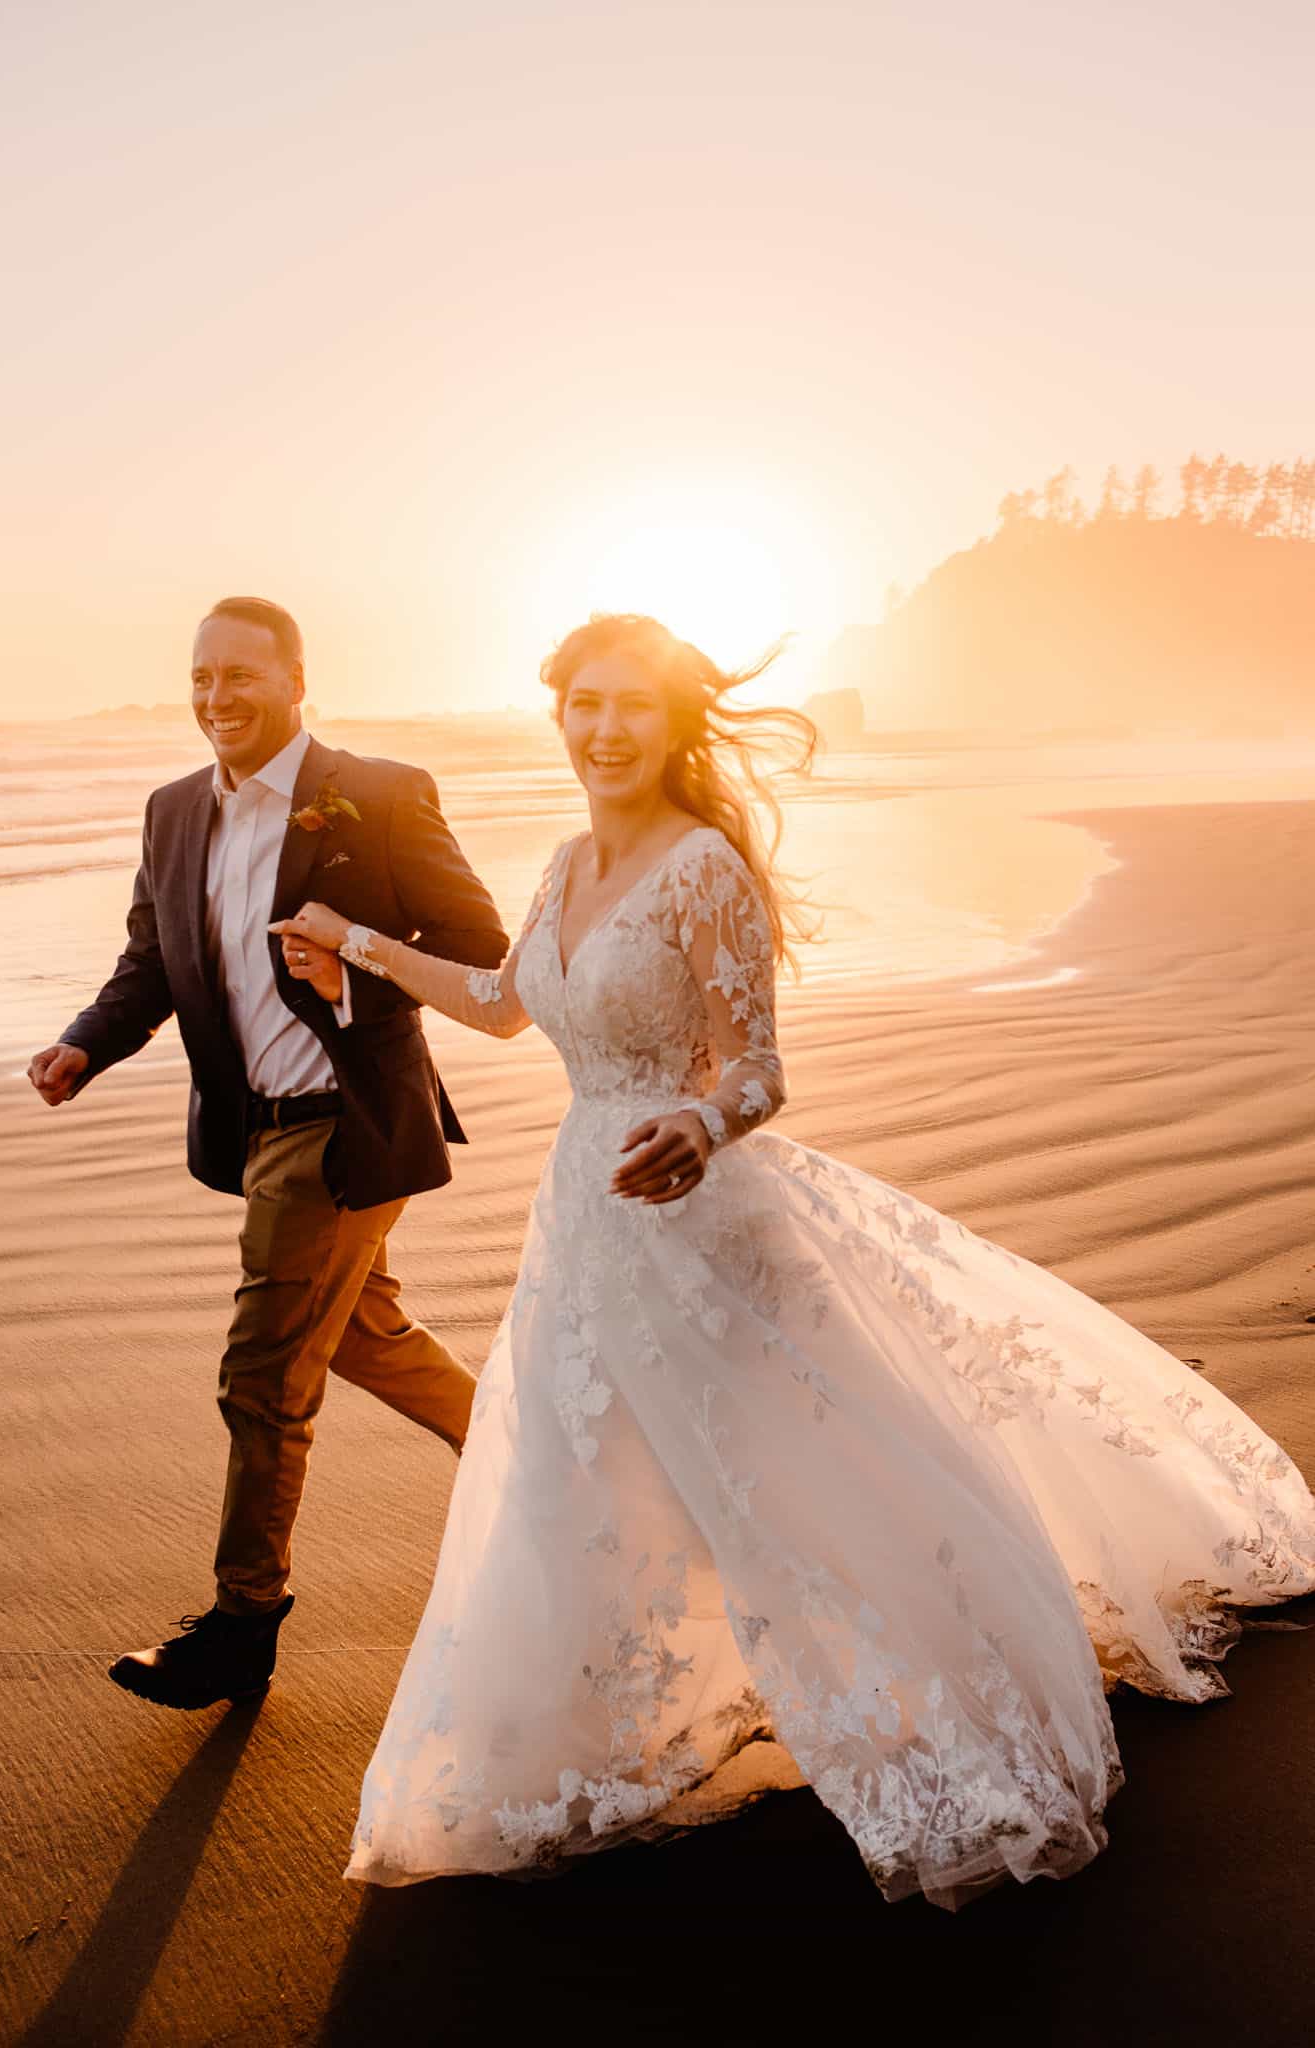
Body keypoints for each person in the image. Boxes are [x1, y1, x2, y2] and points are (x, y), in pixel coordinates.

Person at [272, 612, 1315, 1909]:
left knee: (804, 1477)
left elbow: (757, 1067)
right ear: (555, 713)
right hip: (584, 1230)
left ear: (671, 725)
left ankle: (933, 1697)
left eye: (630, 709)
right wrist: (354, 942)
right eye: (582, 704)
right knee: (580, 1476)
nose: (603, 730)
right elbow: (497, 1004)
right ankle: (601, 1737)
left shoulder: (703, 865)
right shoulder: (561, 860)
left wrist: (699, 1123)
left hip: (697, 1221)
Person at [28, 595, 506, 1711]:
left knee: (261, 1376)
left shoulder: (380, 795)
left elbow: (482, 950)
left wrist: (356, 953)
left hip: (347, 1124)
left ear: (296, 680)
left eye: (238, 676)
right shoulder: (172, 809)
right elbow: (152, 957)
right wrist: (85, 1043)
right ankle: (527, 1456)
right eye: (200, 678)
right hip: (251, 1129)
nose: (215, 698)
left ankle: (244, 1619)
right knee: (366, 1336)